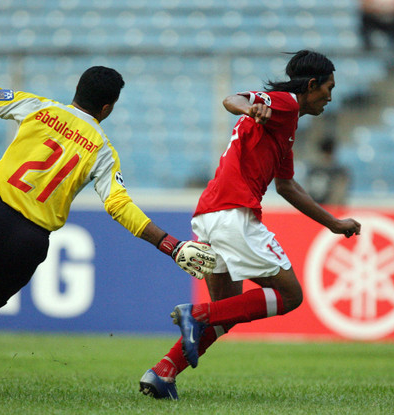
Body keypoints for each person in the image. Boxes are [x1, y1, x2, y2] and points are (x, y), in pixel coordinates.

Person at [0, 12, 216, 385]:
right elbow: (119, 206)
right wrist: (170, 245)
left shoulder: (39, 107)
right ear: (107, 109)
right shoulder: (102, 150)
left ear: (77, 91)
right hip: (31, 239)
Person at [139, 50, 361, 400]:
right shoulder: (285, 104)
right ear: (313, 84)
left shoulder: (285, 126)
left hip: (210, 215)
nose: (330, 97)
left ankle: (163, 373)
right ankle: (194, 314)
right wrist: (250, 107)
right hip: (234, 214)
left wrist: (333, 223)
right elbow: (233, 98)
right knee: (290, 295)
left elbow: (287, 186)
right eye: (328, 88)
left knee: (224, 314)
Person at [305, 135, 351, 205]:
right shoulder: (339, 170)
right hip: (327, 210)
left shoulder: (312, 169)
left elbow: (306, 192)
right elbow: (339, 194)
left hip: (314, 209)